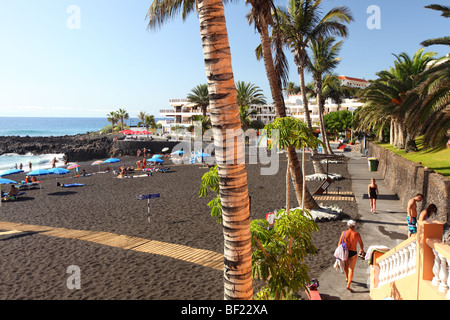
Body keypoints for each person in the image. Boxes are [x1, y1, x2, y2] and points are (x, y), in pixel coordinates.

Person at [338, 220, 364, 292]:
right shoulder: (356, 234)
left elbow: (339, 243)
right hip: (353, 252)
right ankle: (348, 285)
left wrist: (340, 252)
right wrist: (361, 249)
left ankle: (346, 278)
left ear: (348, 225)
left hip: (346, 252)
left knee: (346, 266)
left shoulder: (344, 233)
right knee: (351, 269)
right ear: (354, 226)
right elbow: (361, 243)